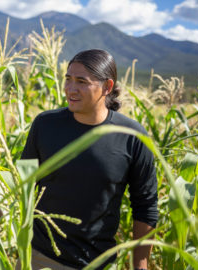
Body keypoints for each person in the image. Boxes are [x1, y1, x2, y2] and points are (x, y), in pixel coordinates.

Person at [20, 49, 158, 270]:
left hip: (97, 263)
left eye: (82, 82)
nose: (70, 89)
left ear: (107, 87)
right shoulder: (45, 125)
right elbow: (20, 185)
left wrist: (139, 263)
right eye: (68, 79)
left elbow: (146, 206)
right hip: (40, 258)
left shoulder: (133, 137)